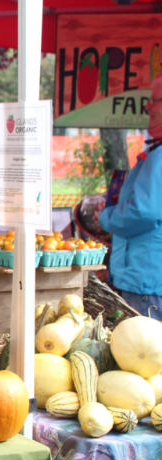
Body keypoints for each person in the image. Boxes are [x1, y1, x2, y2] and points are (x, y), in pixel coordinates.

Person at [98, 74, 162, 320]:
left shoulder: (159, 156)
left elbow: (144, 212)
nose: (147, 107)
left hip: (147, 281)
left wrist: (105, 217)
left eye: (154, 101)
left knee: (143, 354)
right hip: (149, 279)